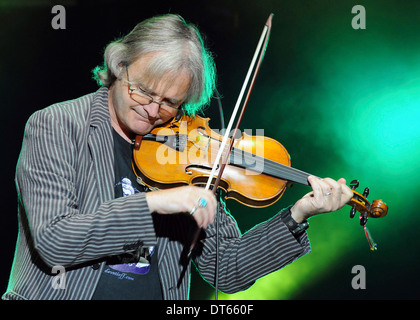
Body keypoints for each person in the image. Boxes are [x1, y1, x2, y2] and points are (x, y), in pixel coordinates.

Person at [2, 14, 353, 300]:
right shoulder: (58, 125)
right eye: (143, 91)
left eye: (170, 102)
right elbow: (55, 241)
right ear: (120, 65)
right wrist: (157, 203)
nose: (153, 110)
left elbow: (226, 269)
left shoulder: (191, 158)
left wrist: (297, 215)